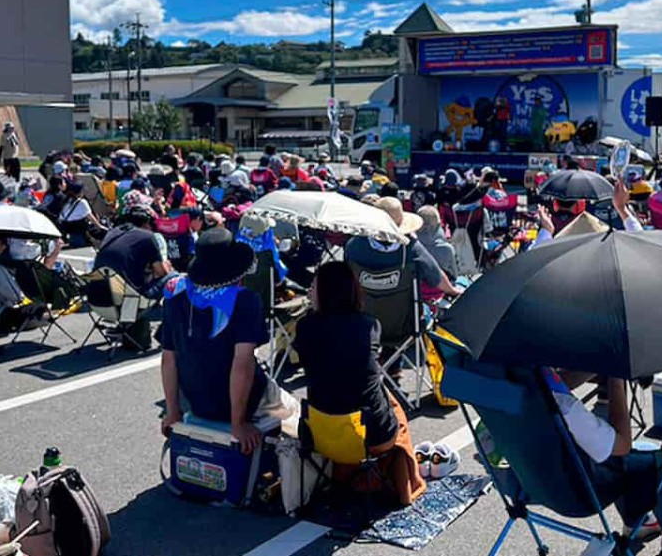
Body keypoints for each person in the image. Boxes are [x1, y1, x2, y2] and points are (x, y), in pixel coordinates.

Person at [294, 262, 426, 507]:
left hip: (319, 432)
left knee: (353, 393)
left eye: (314, 286)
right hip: (368, 435)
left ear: (324, 291)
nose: (310, 292)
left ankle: (354, 477)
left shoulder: (304, 328)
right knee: (395, 409)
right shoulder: (369, 326)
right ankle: (407, 484)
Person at [161, 226, 299, 453]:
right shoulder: (245, 301)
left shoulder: (176, 299)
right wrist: (238, 423)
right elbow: (242, 364)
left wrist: (172, 410)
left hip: (198, 401)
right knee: (294, 412)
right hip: (242, 402)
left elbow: (168, 359)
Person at [553, 371, 662, 554]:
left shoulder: (517, 388)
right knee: (649, 455)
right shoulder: (567, 409)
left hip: (532, 481)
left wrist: (601, 365)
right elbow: (622, 446)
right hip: (575, 493)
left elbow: (558, 382)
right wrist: (615, 379)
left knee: (625, 454)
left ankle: (639, 522)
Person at [94, 209, 173, 296]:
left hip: (97, 295)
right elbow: (161, 272)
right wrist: (169, 268)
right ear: (146, 224)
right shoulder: (149, 237)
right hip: (126, 297)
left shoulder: (112, 232)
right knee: (173, 276)